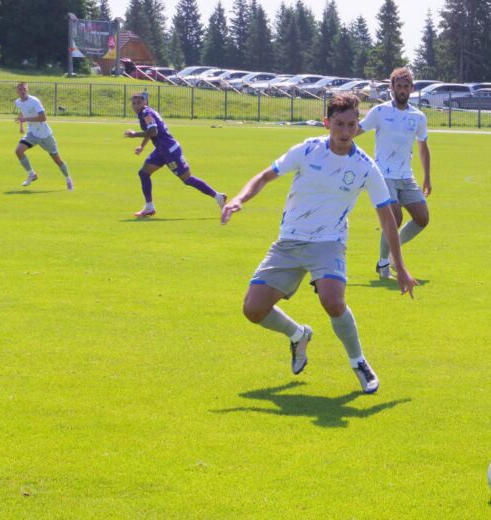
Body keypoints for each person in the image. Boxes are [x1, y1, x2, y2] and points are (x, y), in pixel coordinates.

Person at [221, 94, 418, 394]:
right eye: (339, 124)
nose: (345, 131)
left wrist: (400, 267)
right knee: (253, 309)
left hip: (329, 243)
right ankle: (298, 334)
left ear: (358, 126)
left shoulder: (366, 167)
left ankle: (359, 362)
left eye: (351, 125)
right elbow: (265, 176)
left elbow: (389, 219)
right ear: (327, 123)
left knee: (333, 301)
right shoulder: (307, 150)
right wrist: (238, 199)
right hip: (289, 241)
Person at [355, 67, 431, 279]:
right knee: (394, 218)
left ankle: (391, 254)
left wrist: (427, 177)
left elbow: (423, 148)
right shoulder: (379, 112)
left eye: (406, 87)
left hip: (406, 176)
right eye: (399, 86)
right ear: (392, 88)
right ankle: (383, 264)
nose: (402, 90)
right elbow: (357, 130)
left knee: (422, 218)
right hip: (383, 175)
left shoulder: (418, 116)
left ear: (411, 89)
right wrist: (336, 135)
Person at [124, 93, 225, 217]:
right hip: (161, 150)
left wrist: (135, 135)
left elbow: (153, 131)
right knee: (144, 173)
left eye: (139, 102)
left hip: (170, 151)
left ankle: (218, 196)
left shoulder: (146, 113)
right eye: (133, 103)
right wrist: (142, 146)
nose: (136, 105)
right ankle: (149, 207)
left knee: (187, 179)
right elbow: (151, 131)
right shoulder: (145, 113)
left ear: (145, 103)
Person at [14, 82, 73, 190]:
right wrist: (21, 126)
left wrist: (26, 119)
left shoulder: (34, 101)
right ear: (17, 91)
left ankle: (68, 179)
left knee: (56, 159)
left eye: (24, 89)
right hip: (32, 133)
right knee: (18, 151)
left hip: (45, 135)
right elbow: (22, 112)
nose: (22, 91)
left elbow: (43, 118)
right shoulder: (17, 102)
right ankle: (32, 174)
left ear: (27, 90)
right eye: (20, 89)